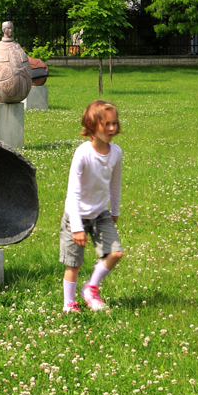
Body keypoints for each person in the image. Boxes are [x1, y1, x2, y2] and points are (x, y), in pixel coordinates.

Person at [61, 100, 123, 313]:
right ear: (91, 126)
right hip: (75, 214)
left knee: (114, 253)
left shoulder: (116, 152)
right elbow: (73, 192)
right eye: (106, 124)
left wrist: (114, 211)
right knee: (74, 263)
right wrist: (77, 227)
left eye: (114, 123)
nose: (112, 128)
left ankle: (90, 289)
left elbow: (115, 184)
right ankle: (69, 304)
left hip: (100, 213)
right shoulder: (83, 153)